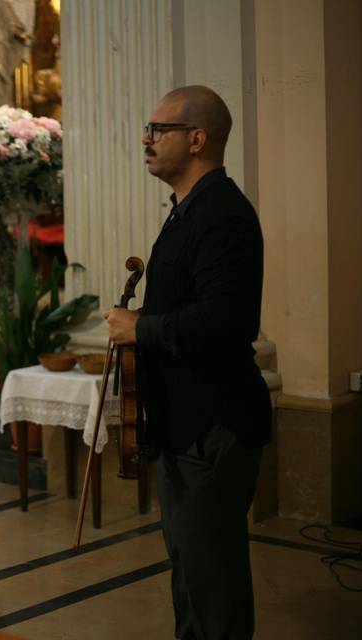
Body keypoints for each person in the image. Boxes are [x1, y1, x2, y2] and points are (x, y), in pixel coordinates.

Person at [103, 85, 271, 639]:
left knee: (212, 585)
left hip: (213, 425)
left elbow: (226, 324)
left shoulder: (222, 214)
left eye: (160, 130)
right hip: (183, 425)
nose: (147, 140)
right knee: (192, 580)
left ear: (197, 139)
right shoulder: (186, 211)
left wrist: (140, 328)